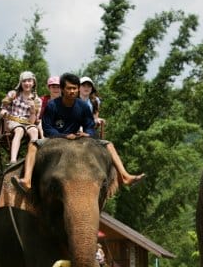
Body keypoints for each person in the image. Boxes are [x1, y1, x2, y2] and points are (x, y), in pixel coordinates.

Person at [14, 73, 144, 192]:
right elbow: (47, 129)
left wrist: (87, 133)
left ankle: (125, 176)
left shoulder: (83, 106)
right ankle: (27, 180)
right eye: (69, 88)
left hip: (78, 138)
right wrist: (64, 136)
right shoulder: (52, 105)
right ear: (63, 89)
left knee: (108, 144)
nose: (72, 91)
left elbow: (89, 125)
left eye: (75, 88)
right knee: (33, 145)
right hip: (55, 139)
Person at [0, 71, 44, 163]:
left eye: (29, 81)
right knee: (19, 130)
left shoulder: (37, 100)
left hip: (27, 122)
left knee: (34, 131)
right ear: (21, 83)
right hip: (13, 120)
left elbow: (32, 122)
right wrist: (4, 113)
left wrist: (32, 110)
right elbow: (3, 109)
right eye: (24, 81)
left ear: (33, 83)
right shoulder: (13, 94)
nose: (27, 83)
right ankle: (13, 160)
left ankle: (31, 158)